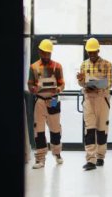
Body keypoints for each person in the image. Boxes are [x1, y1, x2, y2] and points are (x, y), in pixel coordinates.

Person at [76, 38, 112, 171]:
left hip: (102, 99)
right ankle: (90, 160)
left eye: (93, 52)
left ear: (98, 50)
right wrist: (81, 81)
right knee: (89, 130)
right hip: (89, 99)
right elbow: (81, 84)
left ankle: (100, 157)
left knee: (101, 130)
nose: (91, 55)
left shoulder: (107, 64)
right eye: (89, 52)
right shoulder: (84, 65)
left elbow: (109, 83)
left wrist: (96, 85)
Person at [28, 39, 65, 169]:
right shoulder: (33, 67)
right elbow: (30, 85)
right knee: (39, 131)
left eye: (48, 54)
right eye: (43, 53)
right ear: (39, 52)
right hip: (39, 101)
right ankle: (40, 159)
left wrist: (58, 89)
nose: (45, 56)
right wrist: (34, 89)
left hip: (53, 100)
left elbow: (62, 84)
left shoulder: (57, 66)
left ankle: (57, 153)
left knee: (55, 129)